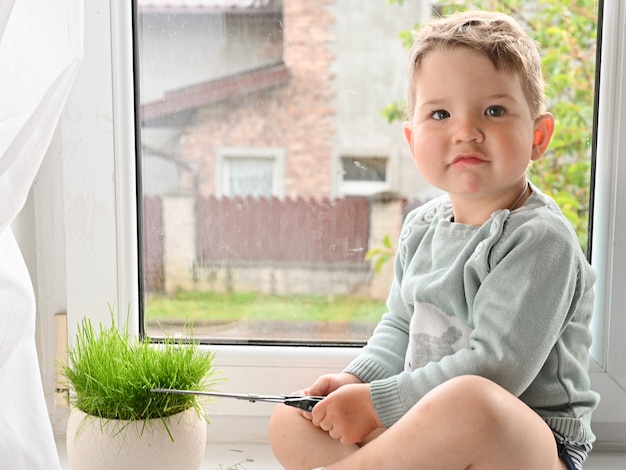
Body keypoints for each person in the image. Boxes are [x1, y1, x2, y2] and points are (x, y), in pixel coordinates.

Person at [269, 10, 599, 470]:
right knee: (289, 417)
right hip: (424, 428)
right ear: (412, 138)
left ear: (538, 137)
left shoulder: (541, 240)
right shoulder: (422, 227)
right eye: (440, 113)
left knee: (471, 399)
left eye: (494, 110)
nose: (465, 131)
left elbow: (497, 370)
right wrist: (355, 381)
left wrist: (377, 405)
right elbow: (401, 327)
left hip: (527, 444)